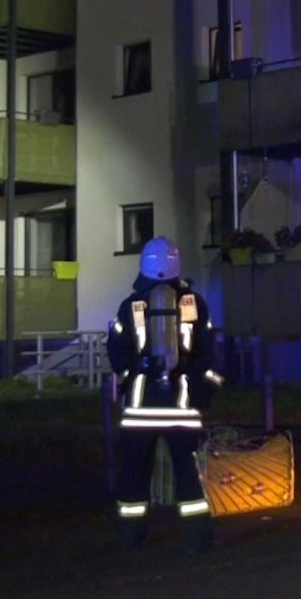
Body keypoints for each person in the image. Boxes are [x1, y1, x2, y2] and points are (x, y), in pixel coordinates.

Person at [106, 236, 223, 552]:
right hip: (181, 409)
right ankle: (196, 541)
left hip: (139, 411)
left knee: (133, 475)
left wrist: (132, 377)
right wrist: (201, 393)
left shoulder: (130, 306)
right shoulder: (195, 304)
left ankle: (130, 539)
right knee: (188, 476)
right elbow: (209, 354)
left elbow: (116, 352)